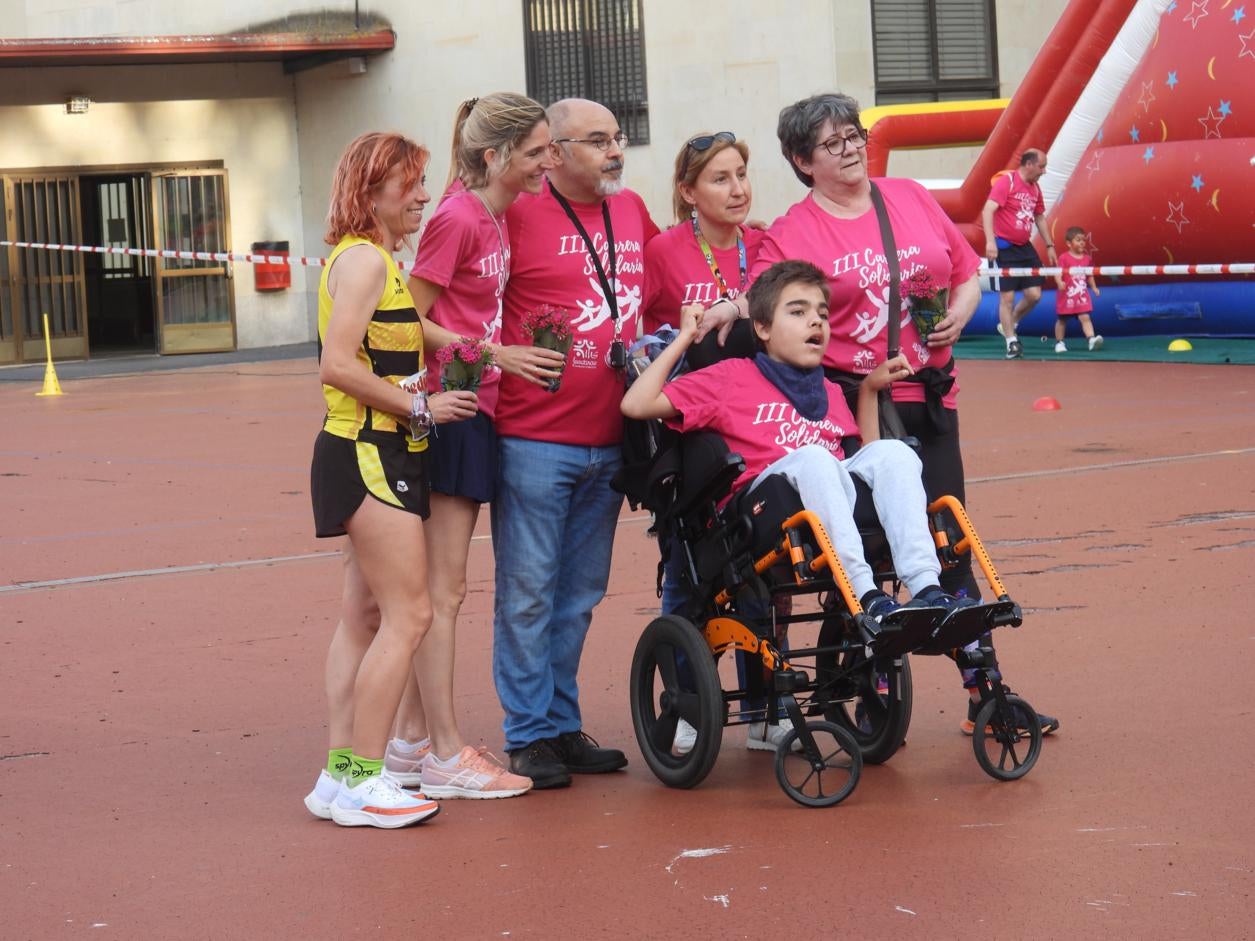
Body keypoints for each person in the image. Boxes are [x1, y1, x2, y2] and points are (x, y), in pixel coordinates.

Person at [700, 92, 1058, 736]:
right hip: (855, 395)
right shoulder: (793, 231)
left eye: (854, 136)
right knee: (865, 543)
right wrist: (724, 312)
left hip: (930, 395)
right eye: (832, 144)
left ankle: (986, 693)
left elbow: (966, 269)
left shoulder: (911, 198)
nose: (850, 151)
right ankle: (865, 678)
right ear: (802, 161)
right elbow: (763, 301)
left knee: (949, 544)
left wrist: (961, 307)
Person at [380, 93, 565, 801]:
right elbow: (404, 317)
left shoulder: (492, 211)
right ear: (495, 156)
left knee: (442, 590)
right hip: (449, 407)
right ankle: (444, 753)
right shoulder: (458, 216)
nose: (548, 161)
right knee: (442, 591)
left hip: (473, 403)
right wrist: (495, 353)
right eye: (538, 151)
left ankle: (408, 743)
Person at [623, 260, 967, 625]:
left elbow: (862, 459)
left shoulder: (830, 391)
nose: (816, 321)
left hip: (827, 502)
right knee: (815, 460)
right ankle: (864, 594)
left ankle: (927, 588)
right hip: (761, 511)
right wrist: (684, 338)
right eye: (798, 312)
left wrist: (868, 390)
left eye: (821, 313)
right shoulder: (728, 378)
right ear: (763, 327)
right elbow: (635, 404)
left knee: (895, 453)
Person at [302, 131, 479, 828]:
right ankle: (365, 777)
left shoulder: (371, 262)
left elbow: (405, 331)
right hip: (369, 452)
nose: (424, 197)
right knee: (410, 614)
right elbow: (337, 362)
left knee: (364, 618)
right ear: (371, 190)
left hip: (366, 451)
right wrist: (420, 404)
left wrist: (474, 347)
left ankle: (338, 774)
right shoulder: (366, 265)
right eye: (410, 185)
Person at [491, 98, 660, 788]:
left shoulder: (633, 210)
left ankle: (559, 723)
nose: (615, 150)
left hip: (610, 436)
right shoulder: (513, 213)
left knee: (580, 593)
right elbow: (464, 303)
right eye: (596, 141)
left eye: (617, 138)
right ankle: (527, 732)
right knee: (528, 591)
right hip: (535, 437)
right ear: (552, 153)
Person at [642, 131, 763, 335]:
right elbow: (620, 321)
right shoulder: (662, 251)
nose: (739, 190)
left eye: (741, 175)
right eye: (720, 179)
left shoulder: (765, 246)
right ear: (688, 192)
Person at [982, 149, 1058, 359]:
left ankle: (1010, 322)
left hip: (1025, 248)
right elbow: (988, 210)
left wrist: (1050, 245)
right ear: (1029, 164)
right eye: (1041, 166)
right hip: (1004, 247)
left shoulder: (1035, 188)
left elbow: (1039, 217)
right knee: (1006, 298)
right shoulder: (1008, 182)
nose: (1044, 171)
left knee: (1034, 295)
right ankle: (1011, 341)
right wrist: (990, 242)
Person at [1052, 226, 1102, 353]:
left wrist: (1094, 288)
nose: (1082, 242)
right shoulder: (1064, 257)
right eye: (1078, 240)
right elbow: (1057, 272)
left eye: (1083, 240)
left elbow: (1089, 275)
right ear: (1069, 243)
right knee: (1062, 320)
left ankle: (1091, 339)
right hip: (1066, 295)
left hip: (1081, 295)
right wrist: (1059, 282)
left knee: (1085, 317)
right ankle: (1059, 343)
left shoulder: (1087, 259)